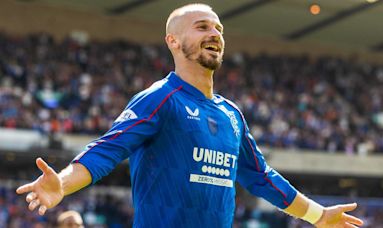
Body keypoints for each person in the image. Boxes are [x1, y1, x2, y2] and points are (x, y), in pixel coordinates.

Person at [16, 3, 364, 228]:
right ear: (172, 41)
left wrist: (319, 216)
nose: (214, 34)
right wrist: (61, 183)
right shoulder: (160, 99)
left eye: (218, 30)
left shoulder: (232, 115)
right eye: (201, 27)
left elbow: (262, 176)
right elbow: (107, 150)